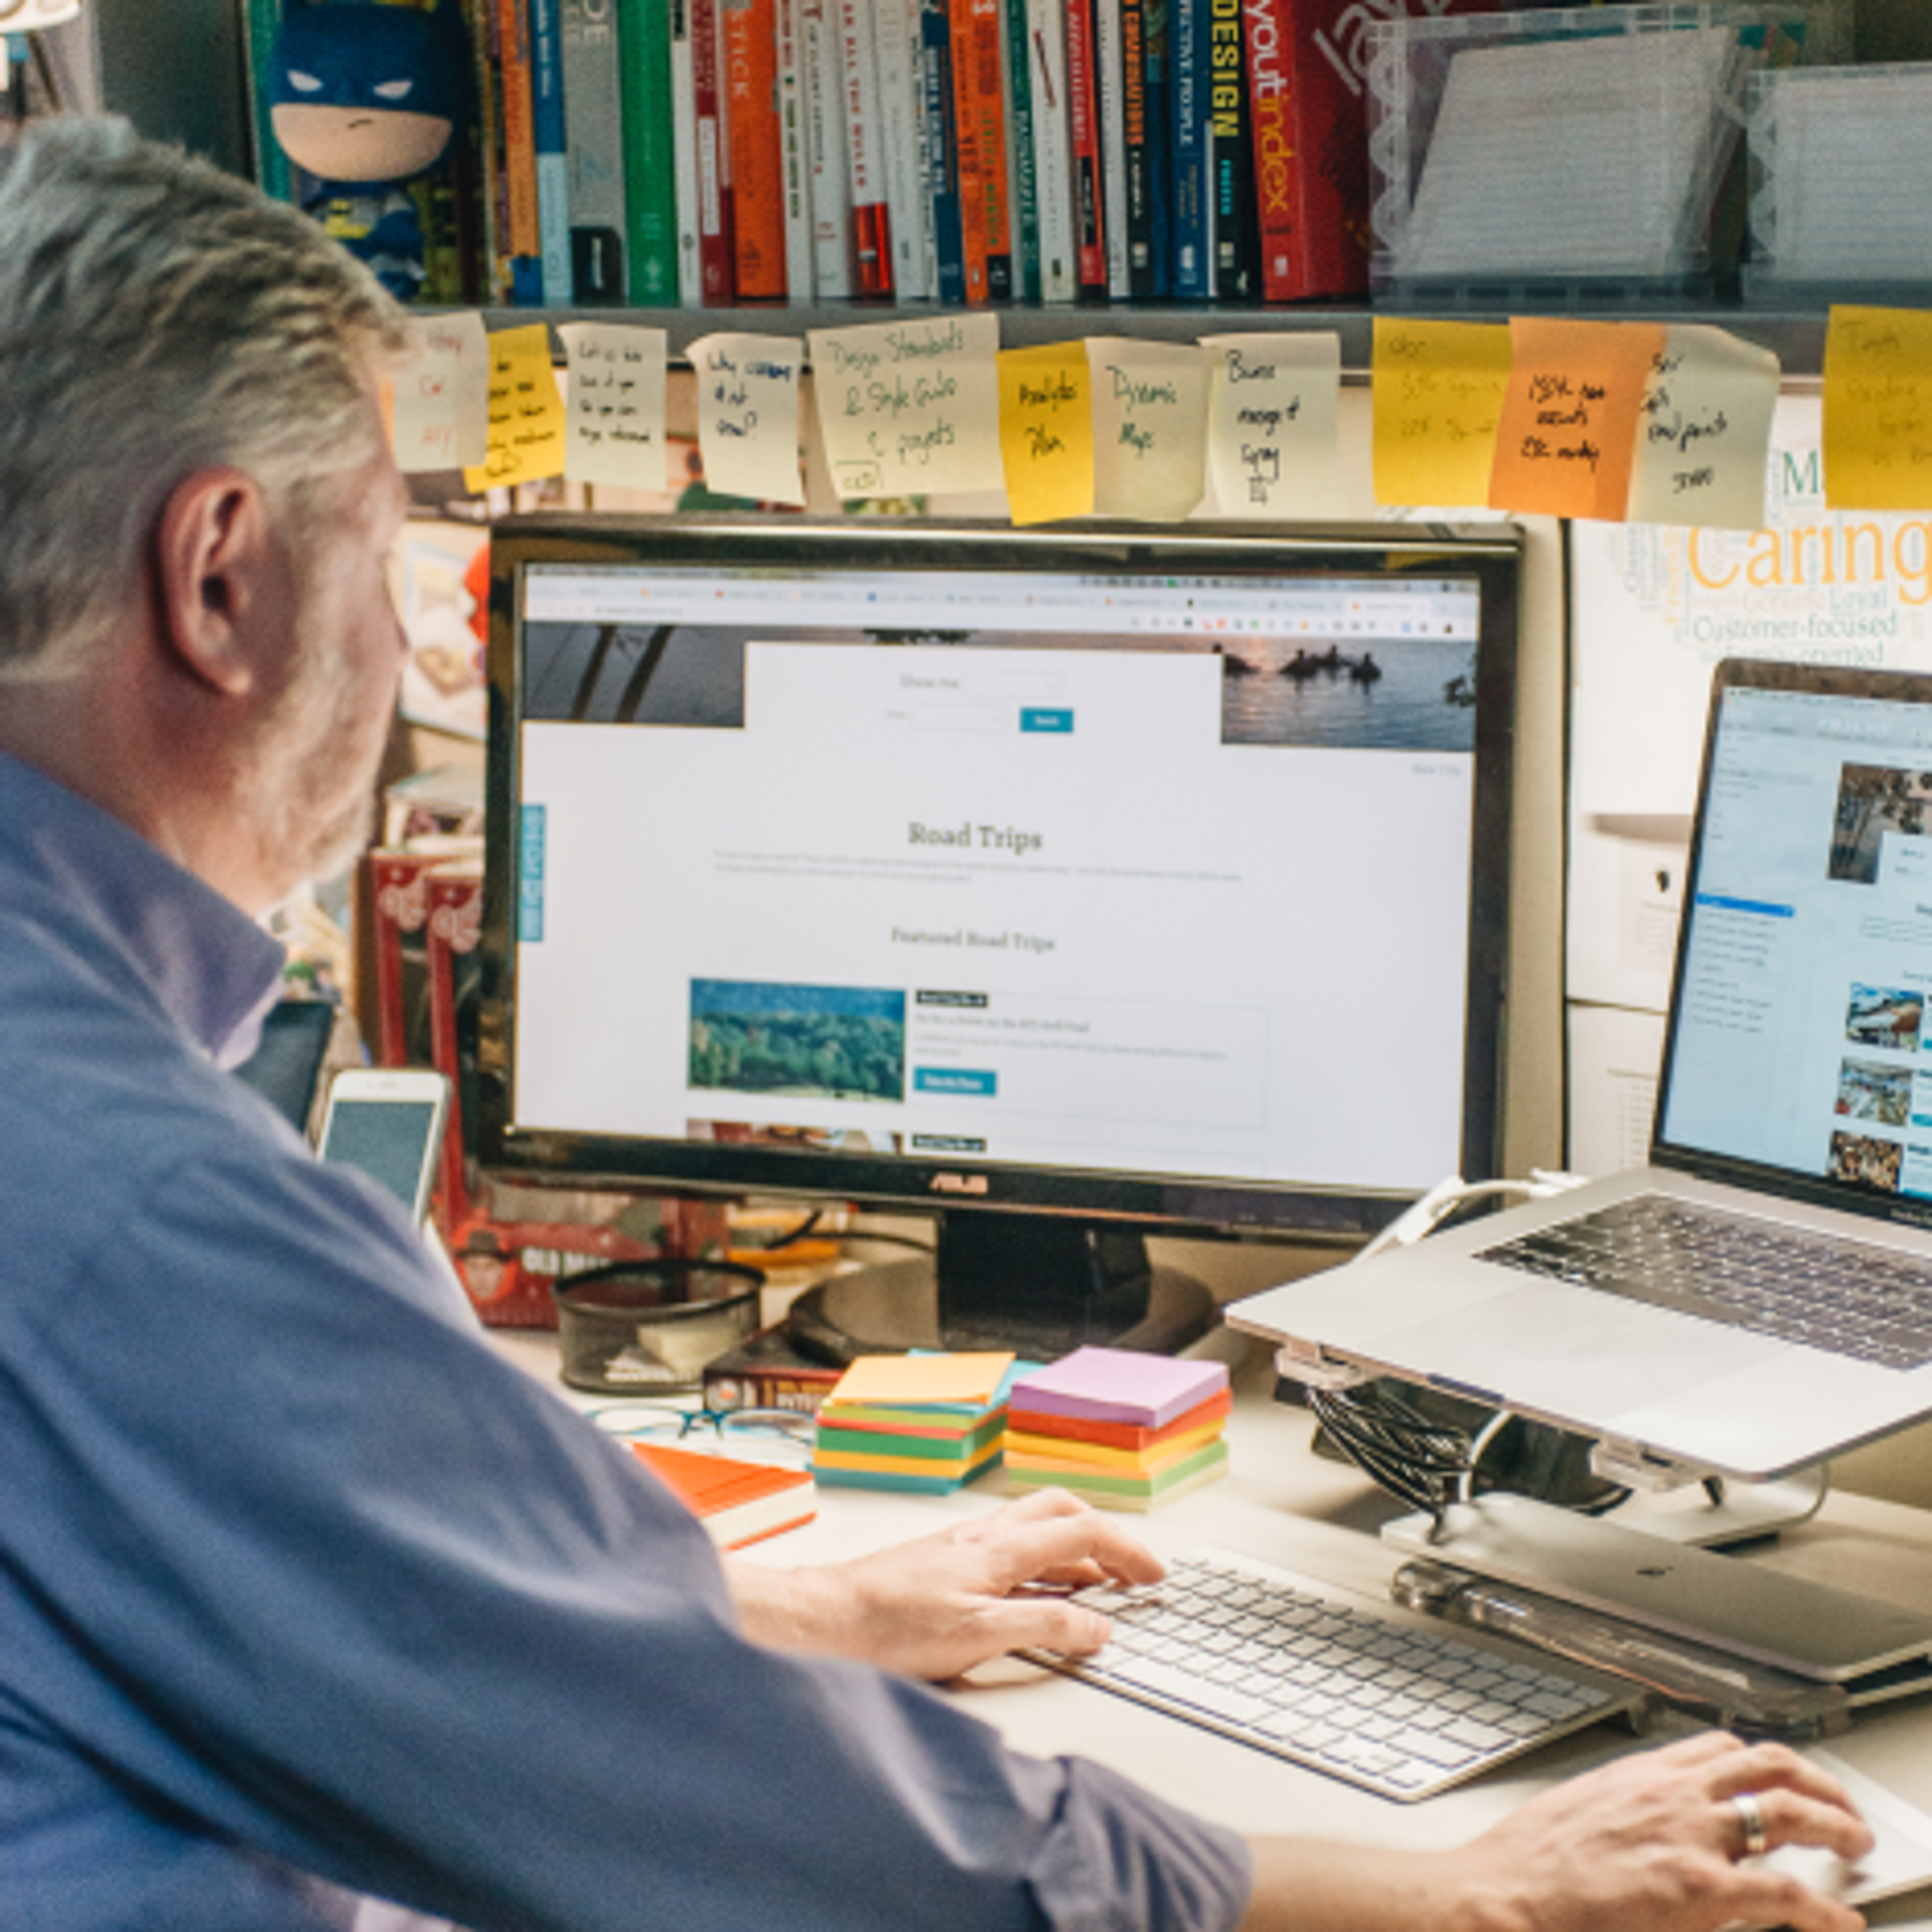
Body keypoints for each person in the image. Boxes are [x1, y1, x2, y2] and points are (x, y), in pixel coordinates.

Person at [0, 115, 1874, 1932]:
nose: (419, 639)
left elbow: (370, 1639)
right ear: (223, 573)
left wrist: (784, 1622)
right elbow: (750, 1833)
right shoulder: (138, 1212)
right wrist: (1482, 1902)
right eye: (385, 542)